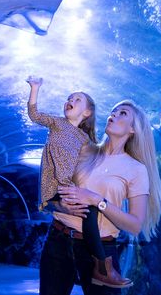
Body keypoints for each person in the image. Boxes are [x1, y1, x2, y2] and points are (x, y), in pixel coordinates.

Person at [39, 100, 161, 295]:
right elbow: (46, 196)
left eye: (122, 113)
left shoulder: (136, 169)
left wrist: (97, 200)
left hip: (101, 252)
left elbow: (134, 225)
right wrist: (59, 206)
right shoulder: (82, 149)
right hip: (58, 240)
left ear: (133, 129)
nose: (114, 114)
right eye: (113, 110)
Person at [26, 76, 129, 287]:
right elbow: (34, 114)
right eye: (69, 98)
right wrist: (35, 88)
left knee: (90, 212)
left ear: (87, 113)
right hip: (56, 185)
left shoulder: (86, 140)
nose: (70, 100)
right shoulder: (57, 123)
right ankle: (103, 266)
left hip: (71, 187)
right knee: (86, 212)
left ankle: (103, 266)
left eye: (77, 99)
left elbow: (96, 163)